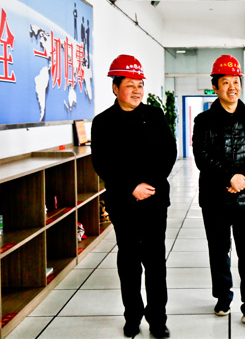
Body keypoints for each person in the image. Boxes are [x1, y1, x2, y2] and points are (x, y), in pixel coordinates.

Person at [91, 54, 176, 339]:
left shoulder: (155, 115)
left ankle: (158, 318)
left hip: (154, 200)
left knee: (155, 262)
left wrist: (150, 184)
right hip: (123, 202)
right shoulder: (103, 122)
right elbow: (102, 163)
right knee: (128, 261)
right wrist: (131, 187)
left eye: (140, 85)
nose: (137, 90)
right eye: (130, 85)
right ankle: (132, 316)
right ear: (115, 88)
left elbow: (169, 152)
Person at [192, 55, 245, 324]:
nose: (232, 87)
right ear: (215, 86)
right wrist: (229, 177)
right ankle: (223, 297)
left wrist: (244, 178)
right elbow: (202, 156)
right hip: (215, 198)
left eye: (236, 82)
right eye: (225, 82)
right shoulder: (204, 120)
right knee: (219, 252)